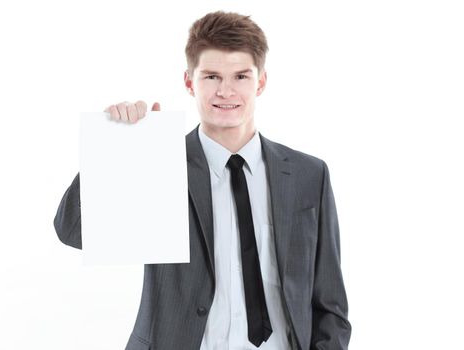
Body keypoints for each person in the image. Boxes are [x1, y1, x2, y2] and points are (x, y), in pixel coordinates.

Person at [54, 10, 351, 350]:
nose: (226, 91)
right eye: (211, 77)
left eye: (241, 76)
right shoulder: (158, 163)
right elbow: (73, 231)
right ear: (189, 82)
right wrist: (116, 148)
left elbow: (330, 305)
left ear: (262, 81)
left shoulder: (307, 175)